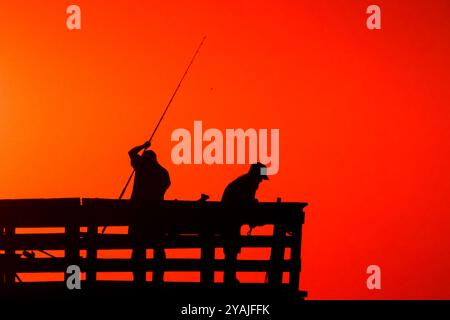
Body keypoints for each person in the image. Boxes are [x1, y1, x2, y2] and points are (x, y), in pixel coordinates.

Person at [128, 141, 171, 285]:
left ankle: (138, 282)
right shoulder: (163, 172)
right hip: (156, 217)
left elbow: (131, 152)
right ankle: (158, 281)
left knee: (138, 251)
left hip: (139, 216)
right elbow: (166, 186)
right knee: (158, 250)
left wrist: (143, 145)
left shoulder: (141, 167)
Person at [221, 162, 269, 284]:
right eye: (261, 178)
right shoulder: (249, 183)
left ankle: (229, 278)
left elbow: (246, 203)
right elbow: (246, 204)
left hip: (229, 218)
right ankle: (229, 278)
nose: (261, 181)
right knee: (232, 247)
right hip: (229, 218)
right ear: (256, 175)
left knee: (231, 248)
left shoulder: (244, 181)